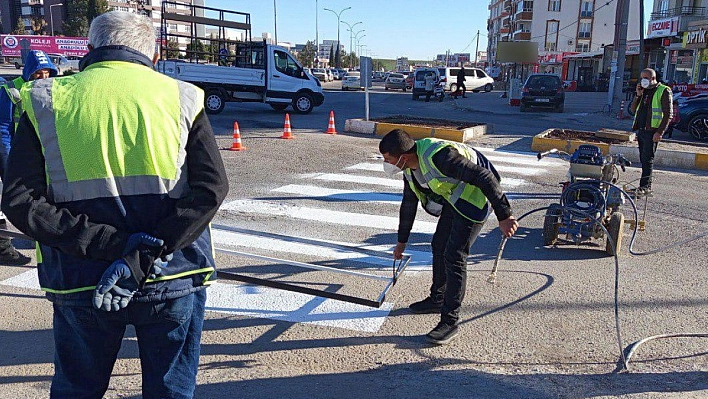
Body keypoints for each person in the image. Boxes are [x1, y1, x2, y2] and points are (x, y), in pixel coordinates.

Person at [1, 11, 228, 398]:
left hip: (79, 277)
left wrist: (111, 247)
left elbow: (21, 200)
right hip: (169, 276)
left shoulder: (44, 100)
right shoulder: (182, 96)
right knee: (170, 391)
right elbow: (210, 189)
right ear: (153, 55)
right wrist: (141, 254)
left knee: (78, 389)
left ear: (90, 49)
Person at [380, 129, 518, 345]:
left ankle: (450, 322)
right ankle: (437, 299)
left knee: (454, 255)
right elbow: (408, 204)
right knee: (439, 245)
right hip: (456, 199)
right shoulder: (409, 169)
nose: (386, 163)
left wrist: (505, 215)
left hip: (476, 198)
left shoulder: (440, 157)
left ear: (403, 157)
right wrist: (401, 242)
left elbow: (485, 177)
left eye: (387, 159)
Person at [0, 50, 58, 265]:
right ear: (28, 73)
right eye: (37, 74)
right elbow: (4, 128)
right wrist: (7, 161)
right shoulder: (11, 90)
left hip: (45, 151)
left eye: (47, 73)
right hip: (20, 153)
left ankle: (41, 233)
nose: (43, 78)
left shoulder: (55, 88)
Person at [629, 68, 673, 196]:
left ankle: (645, 187)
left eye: (646, 78)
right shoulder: (643, 91)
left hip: (652, 131)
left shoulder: (663, 90)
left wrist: (660, 132)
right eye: (642, 78)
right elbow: (632, 110)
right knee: (643, 159)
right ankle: (643, 186)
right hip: (642, 130)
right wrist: (638, 95)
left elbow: (668, 114)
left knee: (648, 159)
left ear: (653, 79)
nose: (643, 80)